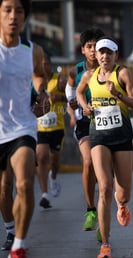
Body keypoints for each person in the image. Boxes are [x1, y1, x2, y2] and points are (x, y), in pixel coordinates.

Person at [76, 36, 133, 258]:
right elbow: (78, 92)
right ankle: (105, 244)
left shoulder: (122, 74)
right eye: (101, 52)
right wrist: (85, 106)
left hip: (121, 136)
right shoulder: (89, 76)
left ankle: (121, 204)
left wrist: (117, 95)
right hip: (98, 137)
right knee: (104, 187)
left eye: (109, 52)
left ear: (116, 56)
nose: (104, 56)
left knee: (123, 192)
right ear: (96, 55)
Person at [0, 0, 49, 258]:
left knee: (24, 184)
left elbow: (40, 76)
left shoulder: (32, 50)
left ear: (26, 17)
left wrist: (40, 94)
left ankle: (19, 246)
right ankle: (10, 227)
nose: (13, 16)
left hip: (23, 128)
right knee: (4, 189)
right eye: (7, 9)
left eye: (19, 10)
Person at [66, 27, 105, 232]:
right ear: (83, 50)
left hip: (107, 123)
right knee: (89, 162)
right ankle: (90, 210)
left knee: (104, 172)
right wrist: (72, 107)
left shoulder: (110, 69)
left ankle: (103, 214)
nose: (93, 50)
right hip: (84, 124)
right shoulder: (76, 71)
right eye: (89, 46)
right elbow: (70, 94)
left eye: (96, 46)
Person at [36, 51, 68, 209]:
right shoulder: (35, 81)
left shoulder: (60, 80)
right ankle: (44, 194)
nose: (43, 67)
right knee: (41, 158)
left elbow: (70, 97)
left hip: (57, 127)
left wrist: (59, 97)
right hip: (40, 127)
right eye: (40, 64)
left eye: (45, 64)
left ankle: (53, 177)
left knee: (54, 161)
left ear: (50, 64)